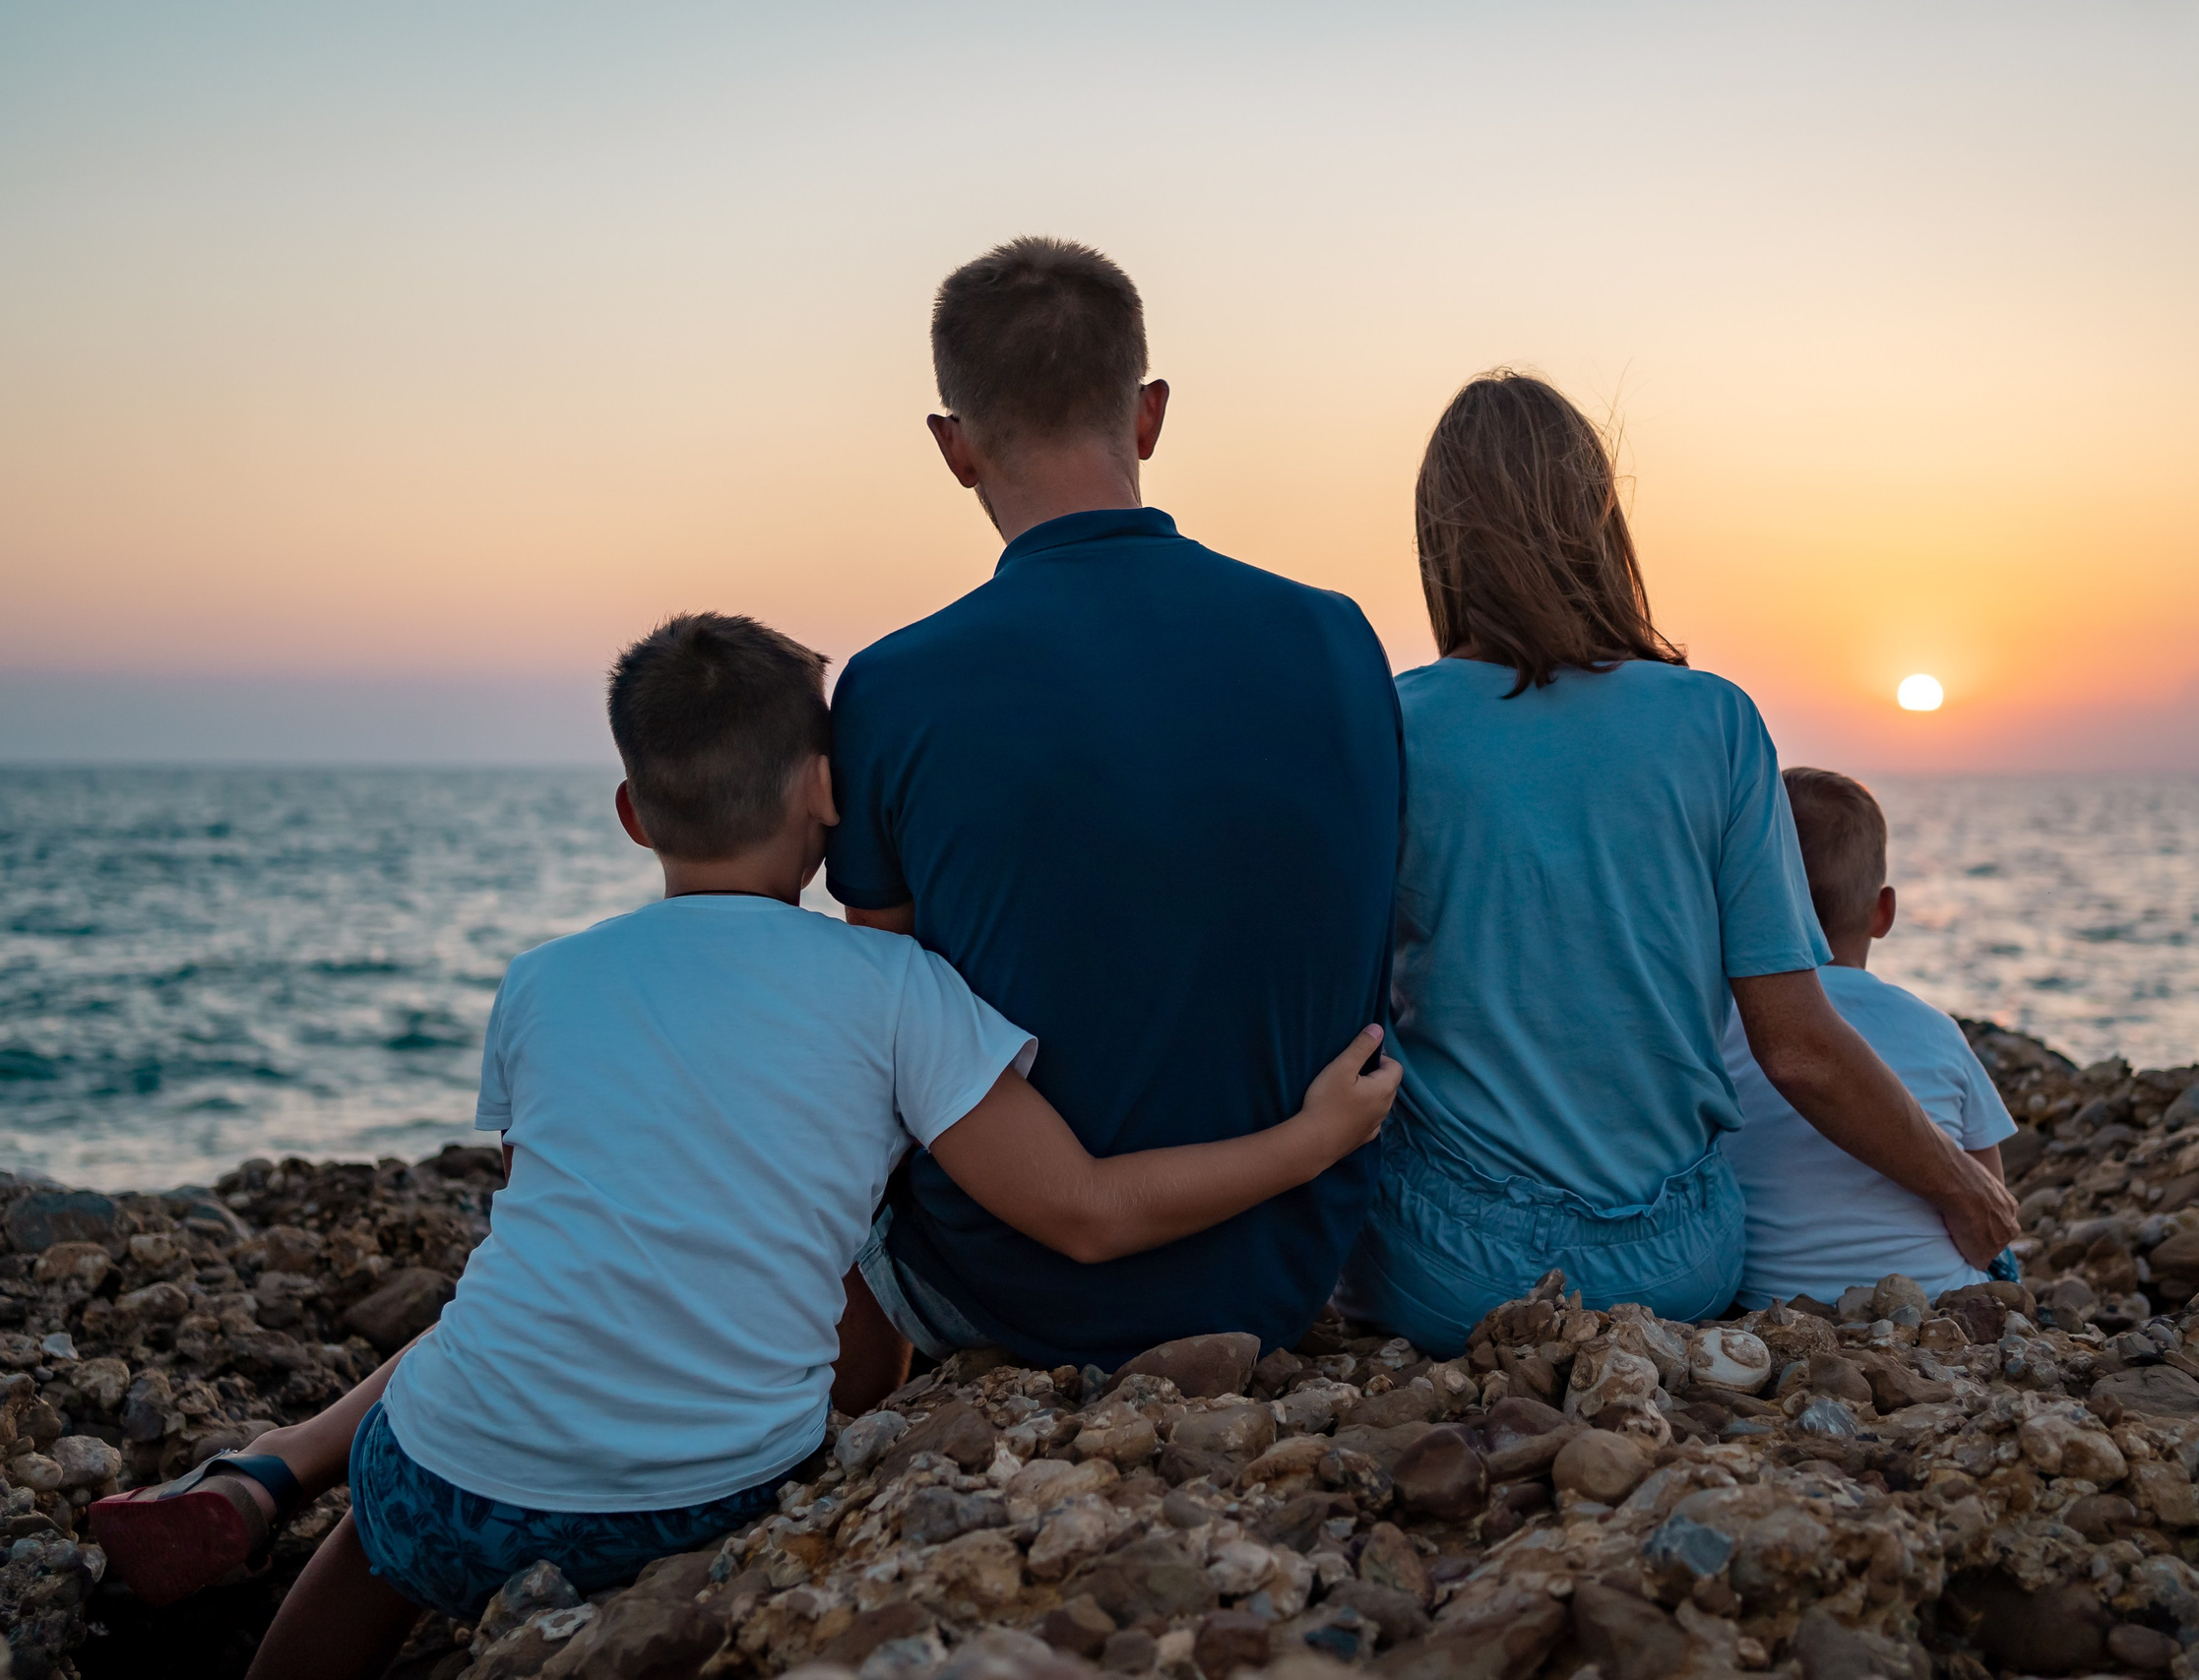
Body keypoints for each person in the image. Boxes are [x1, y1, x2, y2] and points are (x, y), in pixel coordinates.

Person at [88, 614, 1400, 1679]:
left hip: (449, 1474)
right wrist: (1305, 1139)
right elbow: (1086, 1210)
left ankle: (266, 1504)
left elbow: (552, 1229)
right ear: (828, 792)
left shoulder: (542, 982)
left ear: (631, 810)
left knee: (394, 1510)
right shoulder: (895, 992)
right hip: (703, 1497)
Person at [1336, 371, 2018, 1356]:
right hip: (1674, 1266)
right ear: (1599, 522)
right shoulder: (1716, 722)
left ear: (1439, 541)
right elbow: (1797, 1048)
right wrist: (1964, 1188)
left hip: (1449, 1269)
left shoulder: (1392, 723)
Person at [828, 237, 1405, 1388]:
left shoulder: (891, 688)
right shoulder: (1337, 636)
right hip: (1286, 1267)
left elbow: (886, 1013)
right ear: (1148, 414)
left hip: (1012, 1286)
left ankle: (835, 1434)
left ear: (953, 446)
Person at [1720, 768, 2016, 1307]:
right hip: (1933, 1302)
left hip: (1765, 1304)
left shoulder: (1724, 1025)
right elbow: (1988, 1196)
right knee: (2006, 1261)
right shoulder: (1938, 1030)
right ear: (1884, 912)